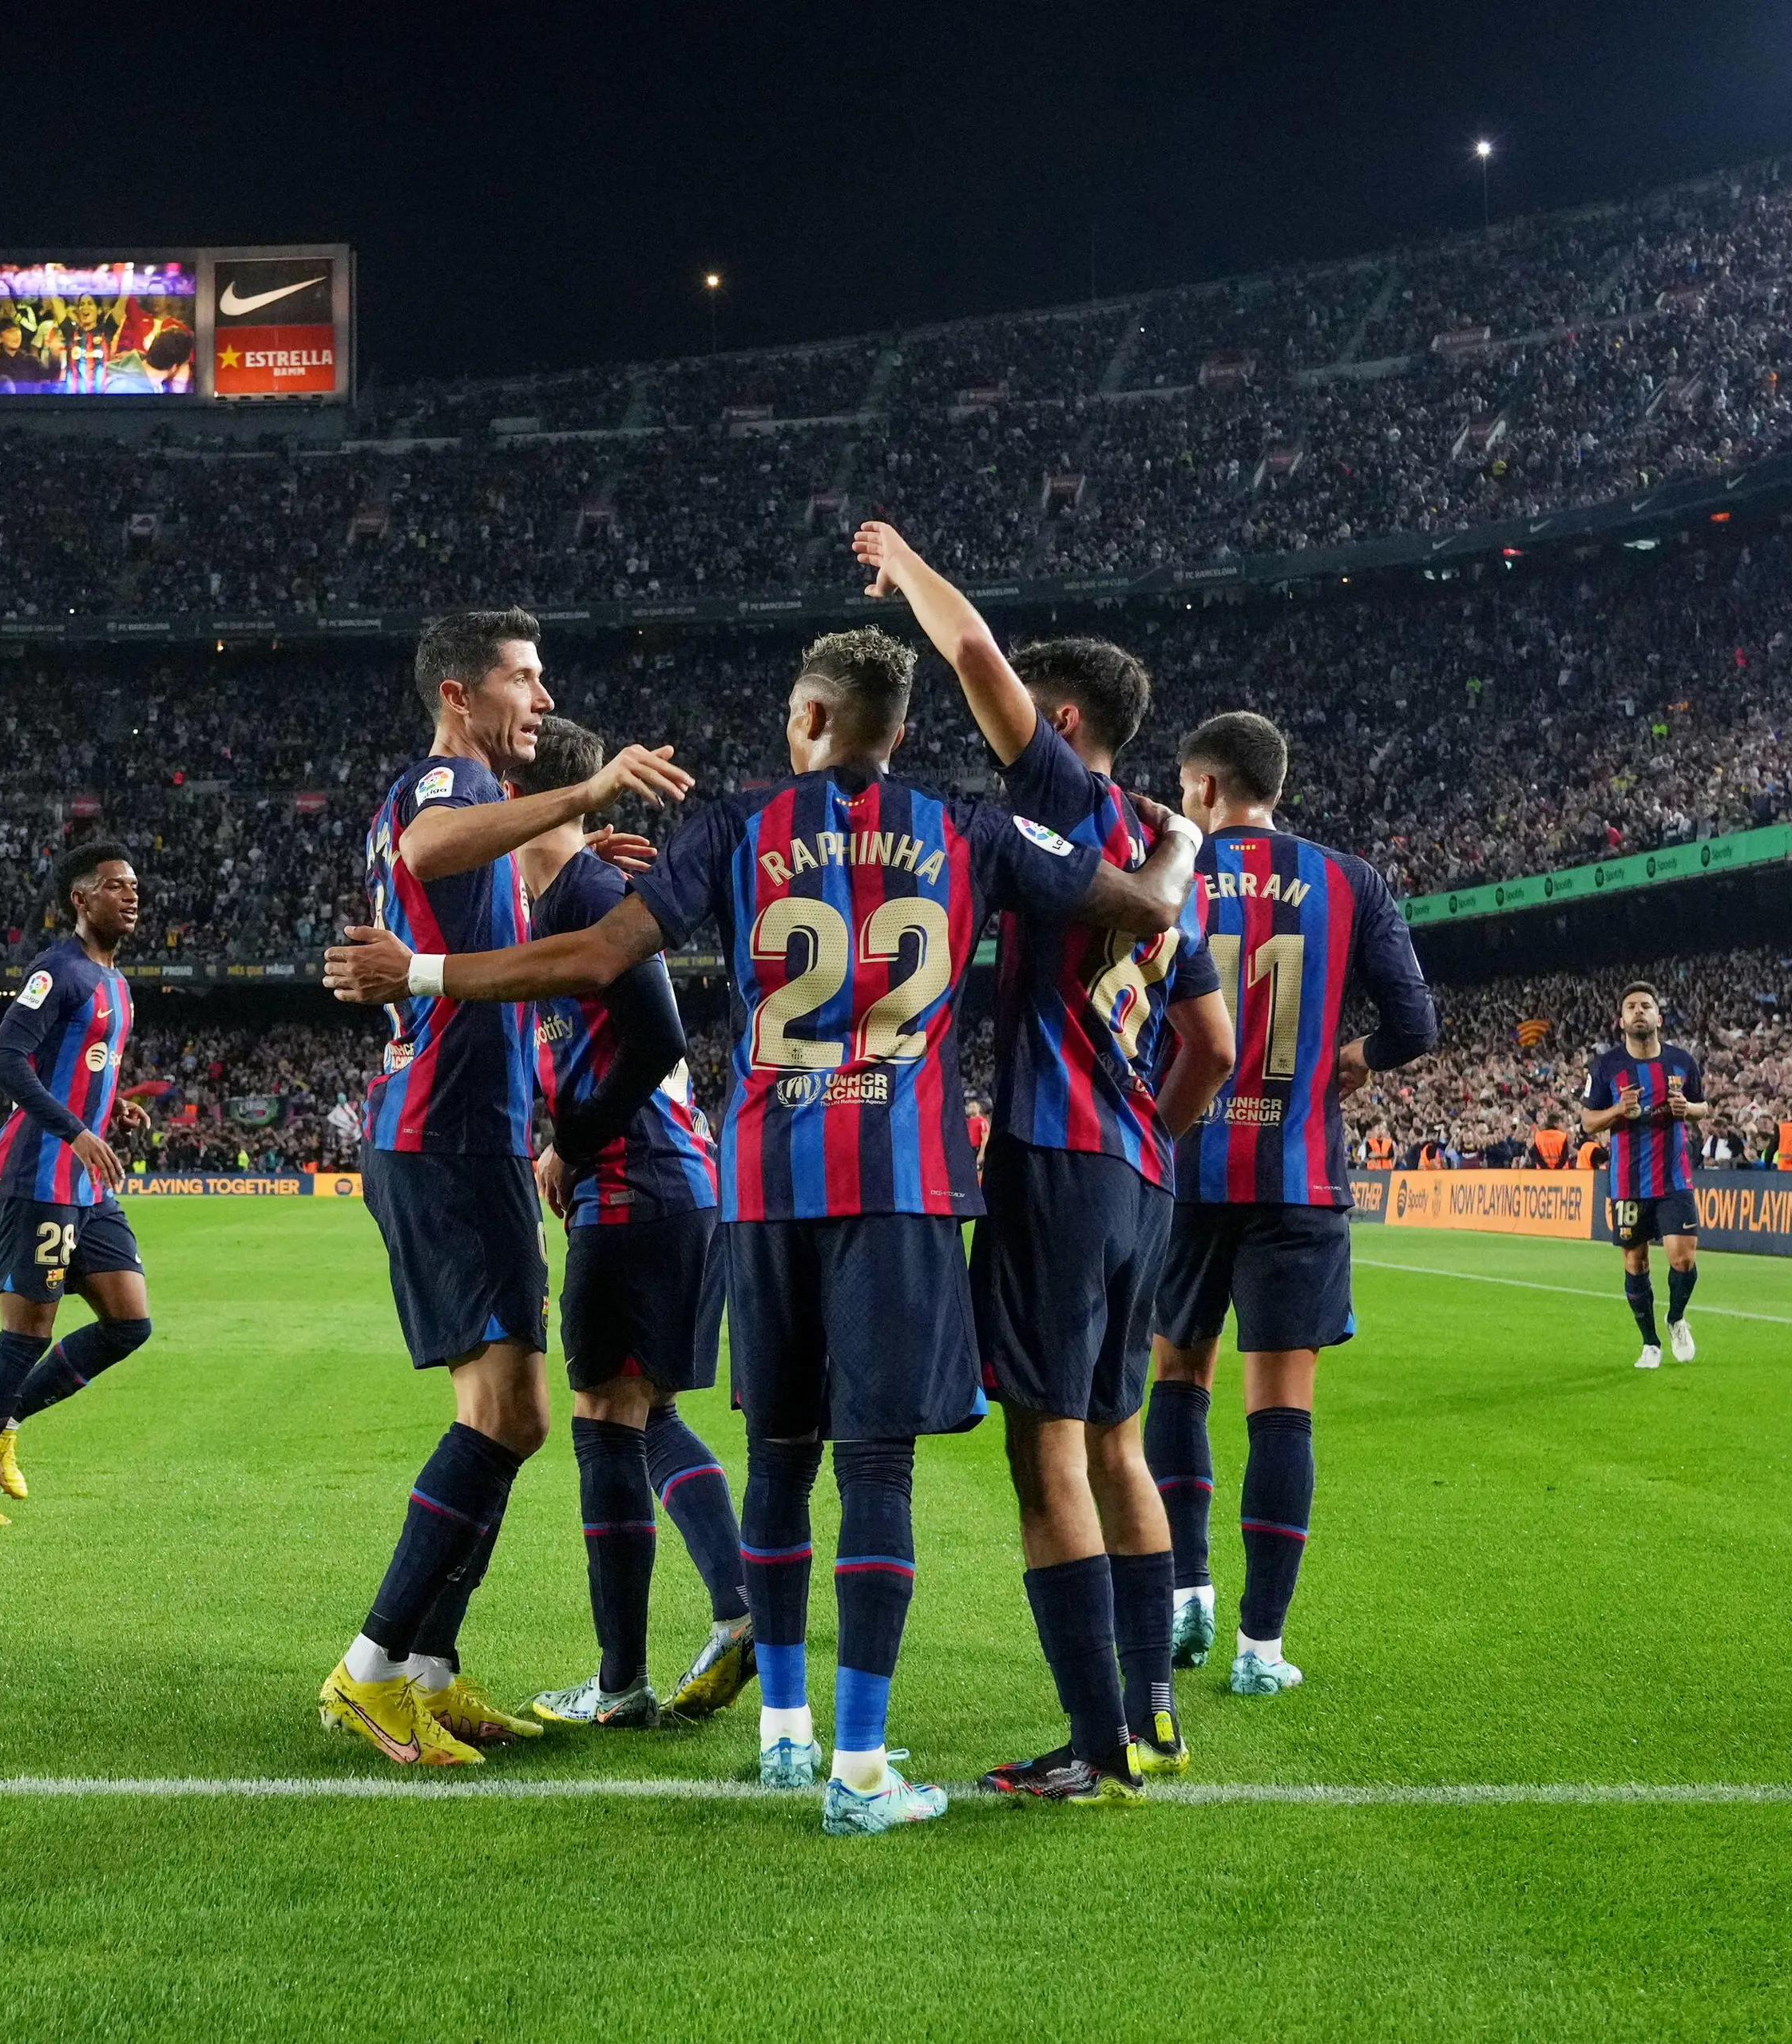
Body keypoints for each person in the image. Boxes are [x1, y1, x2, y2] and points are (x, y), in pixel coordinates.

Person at [327, 625, 1198, 1833]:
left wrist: (422, 974)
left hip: (767, 1186)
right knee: (876, 1470)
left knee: (781, 1454)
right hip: (901, 1190)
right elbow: (1147, 905)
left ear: (809, 720)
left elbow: (588, 954)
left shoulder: (733, 827)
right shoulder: (973, 830)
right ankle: (859, 1764)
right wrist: (1189, 837)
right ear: (897, 728)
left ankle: (783, 1730)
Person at [857, 524, 1237, 1805]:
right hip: (1138, 1178)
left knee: (1051, 1458)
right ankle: (1153, 1716)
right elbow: (1214, 1045)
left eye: (1023, 711)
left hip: (1055, 1163)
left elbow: (965, 649)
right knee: (1123, 1448)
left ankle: (1094, 1744)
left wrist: (901, 561)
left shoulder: (1068, 809)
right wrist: (1148, 1142)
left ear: (1061, 716)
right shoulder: (1156, 847)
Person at [314, 608, 694, 1769]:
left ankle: (427, 1668)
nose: (543, 696)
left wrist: (571, 867)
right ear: (460, 695)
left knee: (518, 1416)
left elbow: (470, 894)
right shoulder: (437, 782)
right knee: (504, 1416)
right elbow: (432, 852)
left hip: (466, 1134)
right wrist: (584, 799)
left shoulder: (478, 811)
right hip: (441, 1135)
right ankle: (375, 1671)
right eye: (524, 678)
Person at [1143, 711, 1438, 1698]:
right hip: (1301, 1177)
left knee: (1177, 1375)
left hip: (1184, 1166)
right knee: (1282, 1411)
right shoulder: (1352, 880)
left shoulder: (1167, 868)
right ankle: (1261, 1649)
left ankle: (1187, 1588)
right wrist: (1354, 1057)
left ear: (1204, 785)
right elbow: (1416, 1023)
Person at [494, 719, 755, 1733]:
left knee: (608, 1422)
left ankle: (623, 1681)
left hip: (634, 1182)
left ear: (520, 787)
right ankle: (734, 1621)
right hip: (665, 1184)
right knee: (646, 1417)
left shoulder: (594, 897)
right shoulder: (564, 896)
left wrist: (572, 1137)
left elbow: (655, 1035)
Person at [0, 843, 157, 1527]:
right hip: (38, 1178)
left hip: (86, 1186)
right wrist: (77, 1131)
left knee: (129, 1324)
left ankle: (8, 1418)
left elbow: (78, 1066)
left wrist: (108, 1108)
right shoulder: (57, 970)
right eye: (114, 886)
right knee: (25, 1337)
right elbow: (3, 1059)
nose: (131, 895)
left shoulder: (115, 982)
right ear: (80, 900)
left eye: (135, 885)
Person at [1580, 983, 1713, 1369]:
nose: (1639, 1012)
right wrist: (1618, 1109)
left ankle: (1676, 1319)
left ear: (1659, 1017)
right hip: (1627, 1181)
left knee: (1683, 1259)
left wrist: (1686, 1107)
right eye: (1631, 1007)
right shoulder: (1606, 1067)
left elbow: (1702, 1107)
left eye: (1646, 1006)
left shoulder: (1682, 1062)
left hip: (1674, 1178)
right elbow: (1588, 1121)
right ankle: (1650, 1342)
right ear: (1621, 1021)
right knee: (1636, 1261)